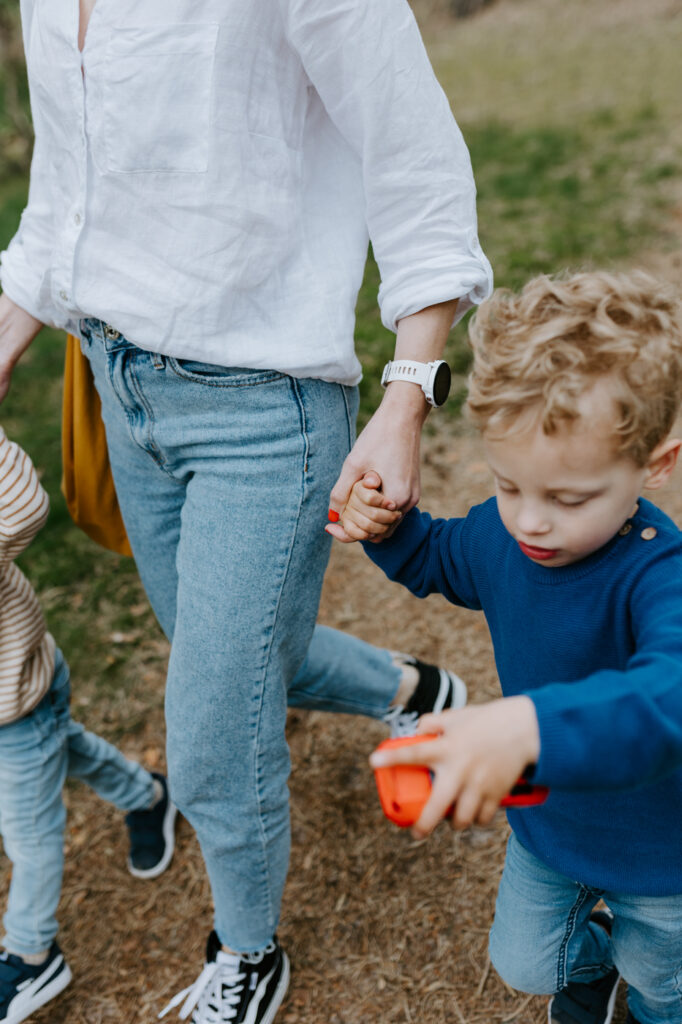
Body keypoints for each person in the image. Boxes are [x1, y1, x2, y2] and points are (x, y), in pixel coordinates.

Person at [0, 1, 491, 1021]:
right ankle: (414, 685)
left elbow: (417, 167)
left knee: (214, 728)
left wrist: (408, 397)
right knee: (216, 649)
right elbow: (65, 188)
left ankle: (248, 950)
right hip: (117, 384)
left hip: (265, 409)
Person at [335, 271, 682, 1024]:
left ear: (655, 462)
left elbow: (670, 694)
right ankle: (593, 962)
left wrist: (526, 729)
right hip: (547, 826)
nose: (531, 523)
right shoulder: (507, 535)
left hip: (661, 855)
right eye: (507, 485)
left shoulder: (661, 574)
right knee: (523, 962)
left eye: (569, 498)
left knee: (663, 985)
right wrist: (389, 528)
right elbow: (438, 558)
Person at [0, 427, 177, 1024]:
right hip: (23, 716)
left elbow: (20, 502)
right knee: (65, 749)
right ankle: (147, 795)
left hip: (17, 704)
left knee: (28, 830)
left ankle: (31, 953)